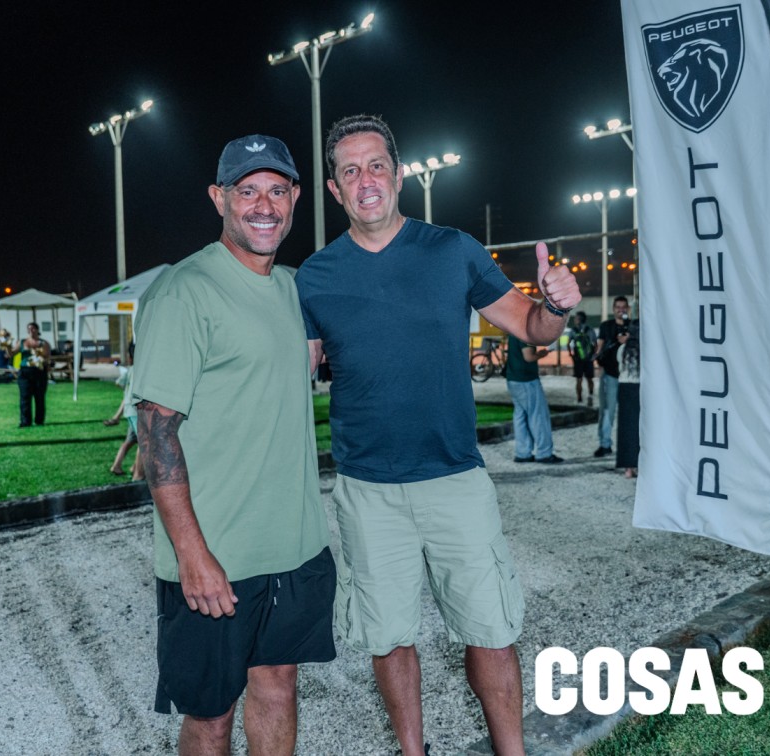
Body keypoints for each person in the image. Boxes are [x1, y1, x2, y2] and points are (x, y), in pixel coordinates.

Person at [293, 114, 581, 756]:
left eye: (376, 165)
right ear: (335, 190)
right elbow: (294, 376)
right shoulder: (314, 276)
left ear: (398, 175)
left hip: (455, 478)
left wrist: (557, 305)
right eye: (350, 171)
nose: (365, 180)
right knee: (388, 637)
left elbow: (531, 327)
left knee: (491, 631)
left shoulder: (453, 250)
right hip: (368, 489)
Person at [131, 134, 335, 756]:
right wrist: (192, 554)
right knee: (211, 716)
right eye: (247, 191)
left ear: (295, 197)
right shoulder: (184, 291)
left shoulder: (295, 289)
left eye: (277, 190)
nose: (264, 206)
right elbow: (155, 432)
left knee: (277, 687)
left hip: (293, 547)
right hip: (215, 553)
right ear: (219, 198)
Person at [506, 334, 563, 464]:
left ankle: (523, 453)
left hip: (513, 378)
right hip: (527, 380)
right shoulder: (526, 333)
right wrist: (542, 354)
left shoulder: (513, 331)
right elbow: (528, 357)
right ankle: (544, 453)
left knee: (520, 416)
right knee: (538, 416)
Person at [592, 296, 631, 458]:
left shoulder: (634, 326)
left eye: (623, 307)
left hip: (630, 377)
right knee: (607, 411)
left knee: (629, 413)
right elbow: (600, 347)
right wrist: (596, 358)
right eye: (617, 307)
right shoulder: (606, 326)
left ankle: (629, 445)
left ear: (628, 308)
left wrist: (630, 339)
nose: (621, 310)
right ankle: (605, 444)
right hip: (610, 375)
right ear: (613, 309)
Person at [104, 343, 143, 480]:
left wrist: (127, 389)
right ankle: (138, 474)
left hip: (129, 410)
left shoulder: (131, 370)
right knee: (144, 443)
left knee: (131, 440)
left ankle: (117, 466)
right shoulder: (143, 369)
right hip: (138, 411)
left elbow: (118, 383)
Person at [616, 321, 641, 478]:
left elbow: (620, 366)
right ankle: (637, 463)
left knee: (625, 428)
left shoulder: (622, 349)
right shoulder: (645, 349)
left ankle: (627, 468)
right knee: (638, 428)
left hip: (624, 388)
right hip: (639, 389)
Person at [14, 322, 50, 427]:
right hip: (25, 372)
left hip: (39, 371)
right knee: (24, 397)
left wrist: (39, 357)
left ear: (37, 330)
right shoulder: (22, 342)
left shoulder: (43, 343)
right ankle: (25, 421)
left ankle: (39, 420)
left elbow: (47, 357)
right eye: (29, 328)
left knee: (39, 397)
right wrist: (6, 346)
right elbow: (11, 353)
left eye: (33, 328)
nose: (31, 330)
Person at [567, 310, 596, 407]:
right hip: (588, 359)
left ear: (579, 319)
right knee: (589, 379)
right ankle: (590, 395)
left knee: (579, 379)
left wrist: (571, 354)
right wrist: (593, 356)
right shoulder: (590, 329)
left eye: (576, 318)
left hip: (578, 359)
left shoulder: (573, 330)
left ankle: (579, 399)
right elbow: (595, 343)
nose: (574, 320)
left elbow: (568, 343)